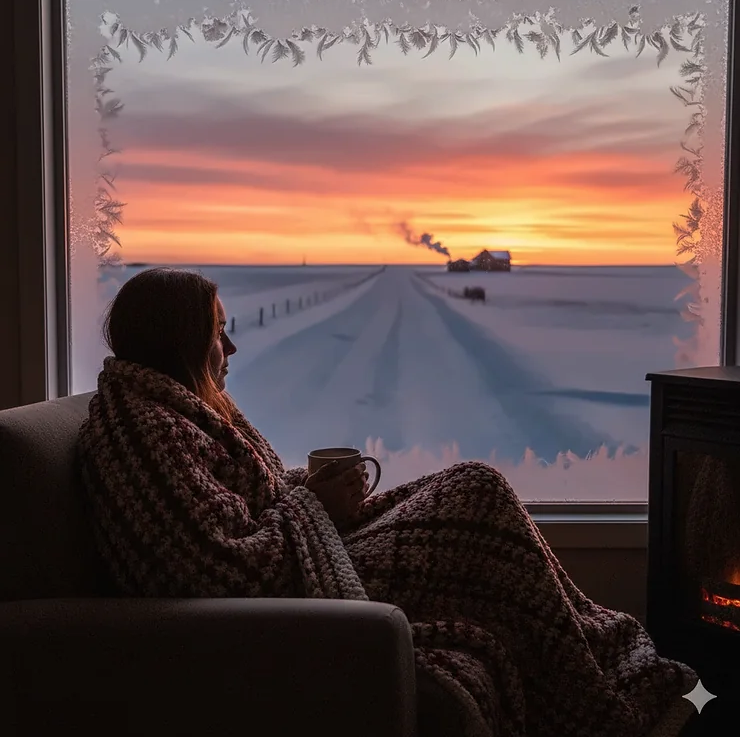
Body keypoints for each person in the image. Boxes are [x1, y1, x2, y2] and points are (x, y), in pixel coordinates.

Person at [78, 267, 697, 737]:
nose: (231, 350)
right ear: (181, 340)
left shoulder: (166, 408)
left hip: (311, 548)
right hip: (301, 588)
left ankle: (600, 650)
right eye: (219, 332)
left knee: (473, 488)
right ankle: (598, 697)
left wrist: (309, 493)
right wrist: (315, 506)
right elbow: (214, 570)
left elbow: (241, 512)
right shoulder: (145, 432)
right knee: (476, 499)